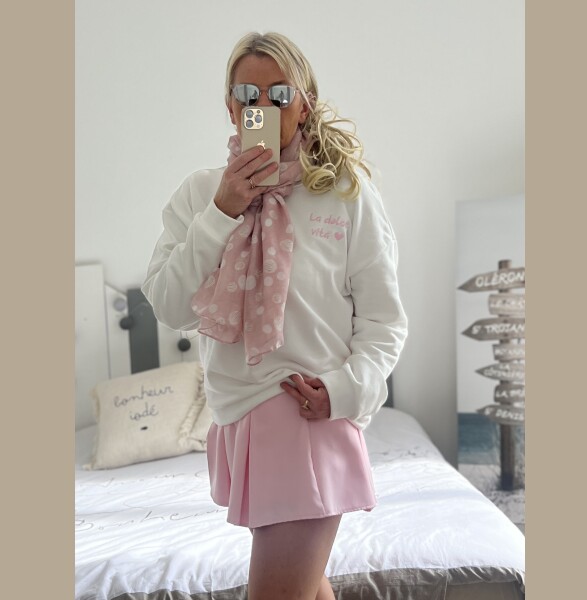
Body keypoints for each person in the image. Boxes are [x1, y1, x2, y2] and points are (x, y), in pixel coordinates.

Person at [142, 31, 408, 600]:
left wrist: (345, 390)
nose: (261, 106)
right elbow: (167, 304)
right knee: (303, 586)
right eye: (247, 95)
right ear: (230, 106)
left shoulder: (345, 194)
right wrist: (221, 213)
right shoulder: (199, 195)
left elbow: (384, 321)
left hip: (307, 416)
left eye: (279, 95)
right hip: (237, 418)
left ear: (303, 105)